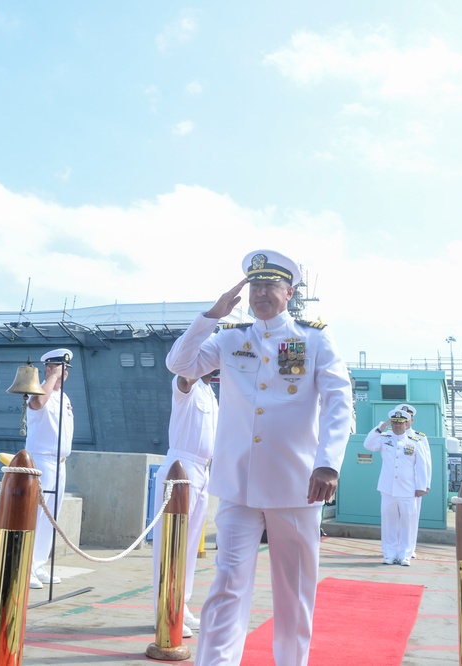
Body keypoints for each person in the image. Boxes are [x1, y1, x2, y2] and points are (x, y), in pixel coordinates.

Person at [165, 249, 353, 666]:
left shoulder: (314, 338)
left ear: (289, 293)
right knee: (228, 583)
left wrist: (329, 463)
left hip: (297, 483)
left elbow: (340, 401)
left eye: (271, 285)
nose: (262, 292)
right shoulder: (230, 338)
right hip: (238, 484)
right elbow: (179, 364)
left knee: (295, 591)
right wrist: (211, 314)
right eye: (256, 285)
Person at [151, 372, 219, 637]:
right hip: (181, 467)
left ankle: (181, 604)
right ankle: (163, 609)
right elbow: (184, 378)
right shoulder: (187, 384)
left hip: (203, 470)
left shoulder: (210, 392)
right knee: (171, 544)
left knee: (189, 546)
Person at [26, 348, 75, 590]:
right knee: (35, 514)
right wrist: (51, 378)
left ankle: (38, 565)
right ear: (49, 368)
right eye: (61, 369)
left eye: (66, 371)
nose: (65, 374)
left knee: (50, 517)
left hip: (60, 463)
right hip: (42, 461)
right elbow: (37, 404)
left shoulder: (64, 398)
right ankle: (26, 568)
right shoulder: (39, 390)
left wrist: (56, 380)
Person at [363, 406, 430, 565]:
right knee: (389, 523)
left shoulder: (416, 441)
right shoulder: (384, 438)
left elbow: (423, 465)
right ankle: (389, 554)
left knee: (408, 522)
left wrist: (423, 485)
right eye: (394, 423)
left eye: (400, 423)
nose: (397, 426)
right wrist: (381, 426)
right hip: (387, 488)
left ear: (406, 424)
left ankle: (405, 554)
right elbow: (368, 444)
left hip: (408, 489)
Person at [399, 403, 431, 562]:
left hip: (414, 485)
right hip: (396, 486)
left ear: (411, 419)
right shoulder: (391, 435)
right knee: (395, 517)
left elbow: (426, 462)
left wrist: (425, 484)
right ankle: (396, 548)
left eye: (408, 417)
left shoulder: (420, 437)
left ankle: (409, 548)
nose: (405, 420)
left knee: (412, 517)